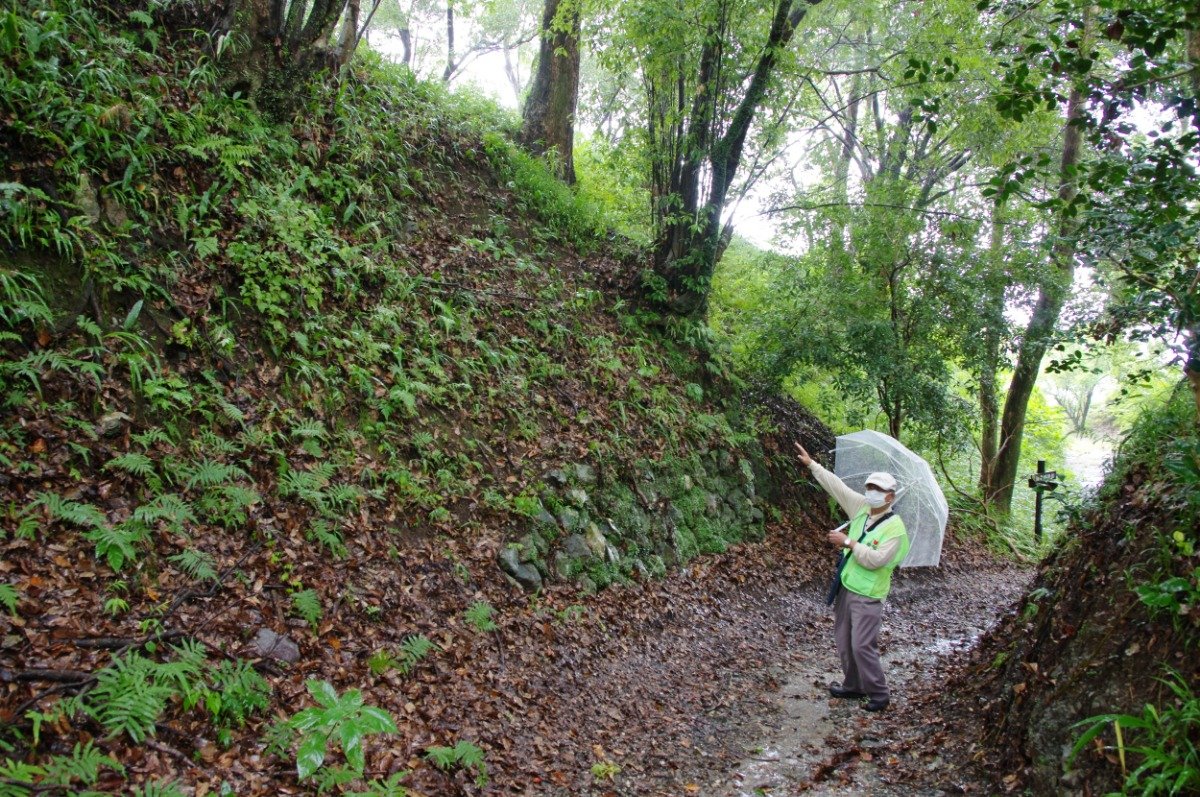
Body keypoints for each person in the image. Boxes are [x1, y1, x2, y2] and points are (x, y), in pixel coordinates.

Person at [794, 441, 909, 712]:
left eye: (878, 490)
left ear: (890, 496)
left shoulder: (896, 530)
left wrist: (848, 543)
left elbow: (876, 560)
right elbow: (837, 487)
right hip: (847, 586)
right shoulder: (861, 508)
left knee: (862, 645)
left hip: (868, 595)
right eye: (870, 487)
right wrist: (813, 465)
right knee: (844, 640)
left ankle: (879, 694)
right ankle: (853, 685)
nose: (871, 493)